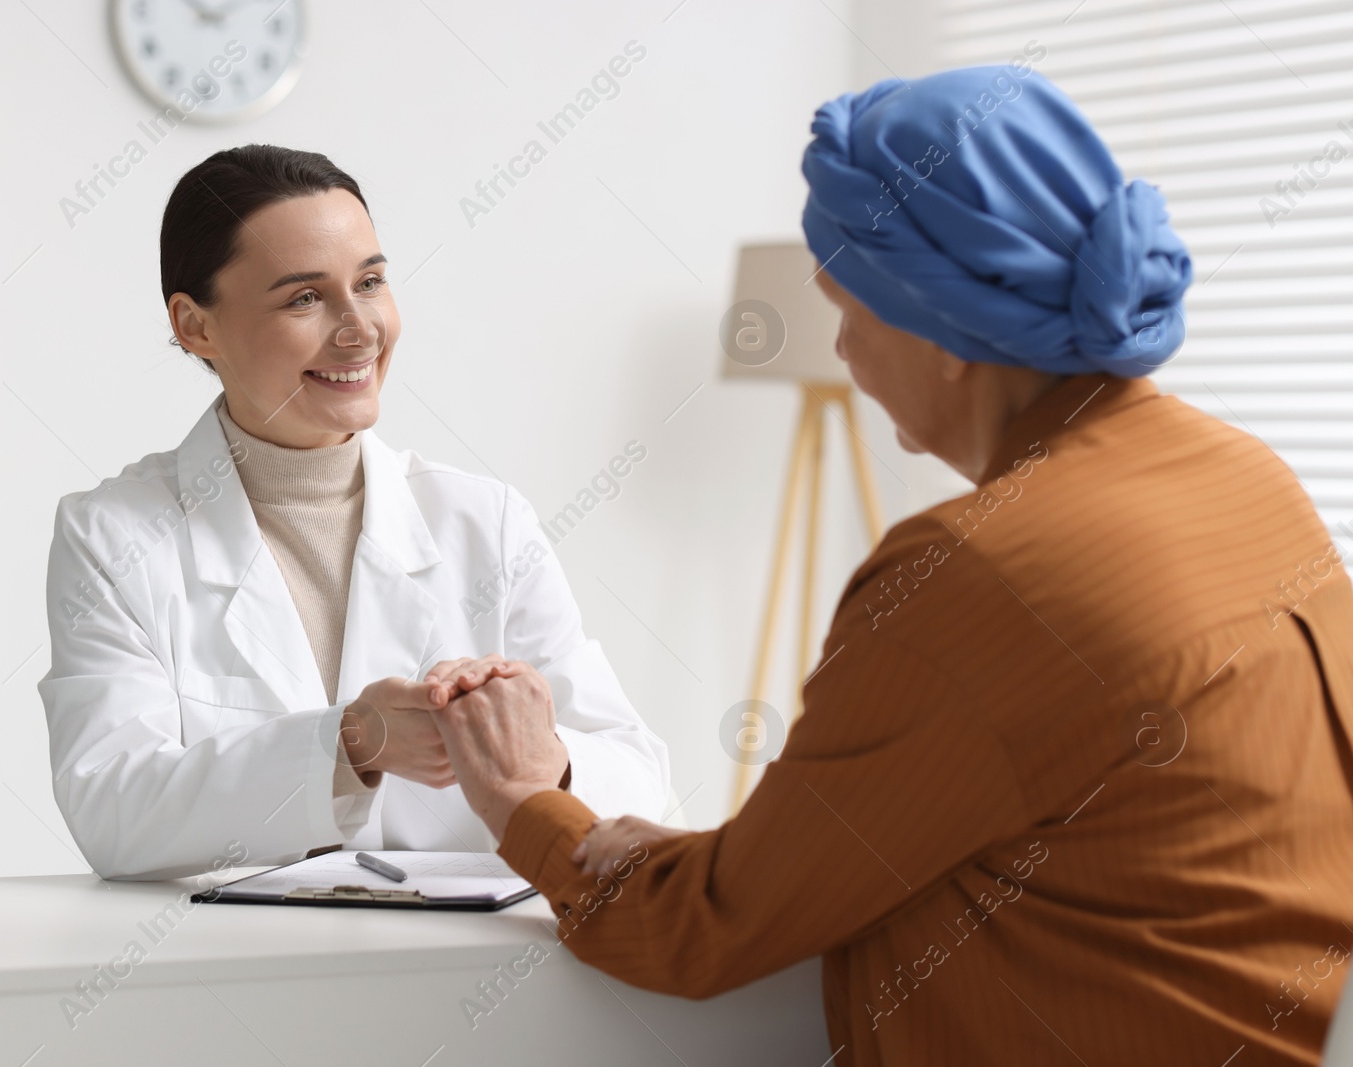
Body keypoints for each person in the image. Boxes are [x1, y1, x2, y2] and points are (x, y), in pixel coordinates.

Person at [425, 67, 1353, 1064]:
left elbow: (703, 930)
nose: (844, 351)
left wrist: (524, 801)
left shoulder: (977, 566)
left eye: (845, 305)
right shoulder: (1241, 474)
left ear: (935, 324)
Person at [38, 146, 668, 880]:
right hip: (231, 972)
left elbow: (642, 781)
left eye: (369, 281)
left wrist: (540, 755)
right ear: (195, 325)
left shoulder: (484, 522)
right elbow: (115, 811)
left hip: (465, 971)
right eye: (305, 298)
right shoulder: (113, 535)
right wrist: (349, 745)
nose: (359, 328)